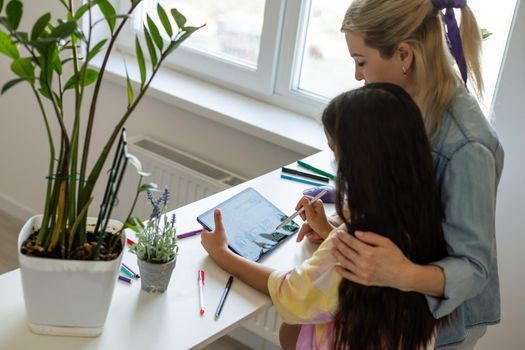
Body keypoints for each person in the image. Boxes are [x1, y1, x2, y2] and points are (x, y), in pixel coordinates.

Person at [299, 0, 503, 348]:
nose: (357, 76)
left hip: (444, 324)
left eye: (361, 61)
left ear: (404, 55)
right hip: (402, 307)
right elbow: (407, 208)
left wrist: (399, 272)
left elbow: (474, 269)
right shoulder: (405, 109)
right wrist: (344, 233)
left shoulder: (466, 146)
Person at [202, 83, 449, 350]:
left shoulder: (352, 243)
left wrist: (223, 254)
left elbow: (290, 292)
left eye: (336, 153)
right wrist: (330, 232)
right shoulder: (429, 218)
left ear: (360, 163)